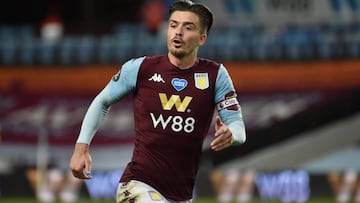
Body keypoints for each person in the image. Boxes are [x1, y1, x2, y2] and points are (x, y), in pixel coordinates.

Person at [69, 0, 246, 202]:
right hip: (137, 184)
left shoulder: (216, 75)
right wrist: (81, 148)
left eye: (188, 27)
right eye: (173, 25)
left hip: (181, 195)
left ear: (202, 38)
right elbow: (102, 101)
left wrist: (232, 134)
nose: (178, 32)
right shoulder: (141, 68)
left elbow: (238, 125)